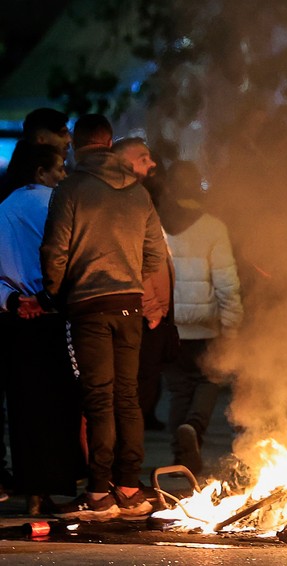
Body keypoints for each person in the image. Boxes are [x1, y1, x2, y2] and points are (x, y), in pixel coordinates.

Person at [40, 114, 166, 520]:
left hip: (88, 305)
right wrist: (132, 278)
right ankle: (129, 487)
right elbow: (155, 252)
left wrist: (56, 291)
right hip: (129, 304)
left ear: (76, 145)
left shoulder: (70, 189)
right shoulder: (138, 192)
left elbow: (54, 250)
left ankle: (98, 493)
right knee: (127, 395)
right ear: (110, 143)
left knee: (98, 397)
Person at [0, 143, 85, 515]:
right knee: (59, 404)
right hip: (52, 317)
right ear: (40, 172)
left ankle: (32, 492)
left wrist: (13, 301)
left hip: (15, 320)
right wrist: (44, 299)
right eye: (59, 169)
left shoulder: (4, 208)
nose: (64, 175)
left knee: (25, 407)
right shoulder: (55, 203)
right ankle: (53, 485)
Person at [158, 160, 243, 475]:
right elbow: (226, 282)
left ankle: (180, 457)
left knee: (178, 389)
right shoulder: (212, 227)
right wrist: (232, 325)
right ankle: (193, 427)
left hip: (167, 322)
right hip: (204, 323)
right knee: (210, 379)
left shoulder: (154, 223)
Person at [113, 137, 172, 431]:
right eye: (143, 158)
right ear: (124, 162)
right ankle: (125, 451)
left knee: (141, 382)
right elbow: (135, 261)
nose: (153, 164)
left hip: (147, 311)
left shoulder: (139, 197)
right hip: (139, 312)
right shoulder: (124, 200)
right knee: (134, 386)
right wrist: (152, 308)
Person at [1, 108, 71, 202]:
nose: (69, 140)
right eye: (62, 134)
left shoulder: (13, 178)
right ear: (41, 139)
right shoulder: (29, 191)